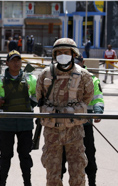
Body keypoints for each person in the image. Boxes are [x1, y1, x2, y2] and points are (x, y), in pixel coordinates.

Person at [36, 38, 94, 186]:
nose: (63, 55)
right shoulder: (45, 75)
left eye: (66, 52)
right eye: (59, 52)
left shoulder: (84, 76)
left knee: (78, 175)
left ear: (73, 54)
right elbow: (39, 97)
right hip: (52, 134)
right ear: (55, 55)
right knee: (53, 177)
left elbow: (88, 98)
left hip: (75, 133)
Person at [0, 50, 37, 186]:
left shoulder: (30, 79)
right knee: (5, 156)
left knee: (25, 156)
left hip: (25, 124)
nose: (16, 63)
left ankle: (27, 183)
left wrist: (31, 105)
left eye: (18, 60)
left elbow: (39, 93)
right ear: (7, 63)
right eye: (12, 60)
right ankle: (2, 183)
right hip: (6, 124)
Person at [61, 55, 104, 186]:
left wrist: (97, 112)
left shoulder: (91, 79)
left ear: (83, 62)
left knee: (89, 155)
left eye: (77, 63)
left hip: (85, 125)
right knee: (61, 158)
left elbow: (98, 98)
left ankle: (92, 183)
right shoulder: (63, 77)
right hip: (65, 126)